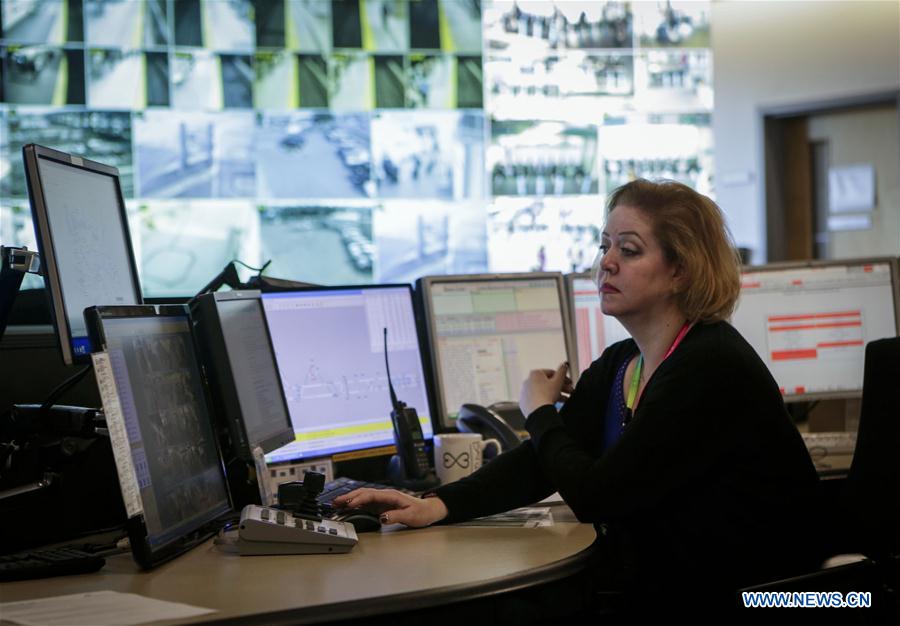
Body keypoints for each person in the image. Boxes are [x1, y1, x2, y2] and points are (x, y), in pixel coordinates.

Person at [335, 179, 824, 610]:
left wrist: (540, 410)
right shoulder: (624, 363)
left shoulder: (708, 365)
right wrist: (433, 504)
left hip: (758, 592)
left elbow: (597, 495)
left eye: (629, 251)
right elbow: (539, 462)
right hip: (681, 579)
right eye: (604, 245)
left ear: (681, 271)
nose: (606, 262)